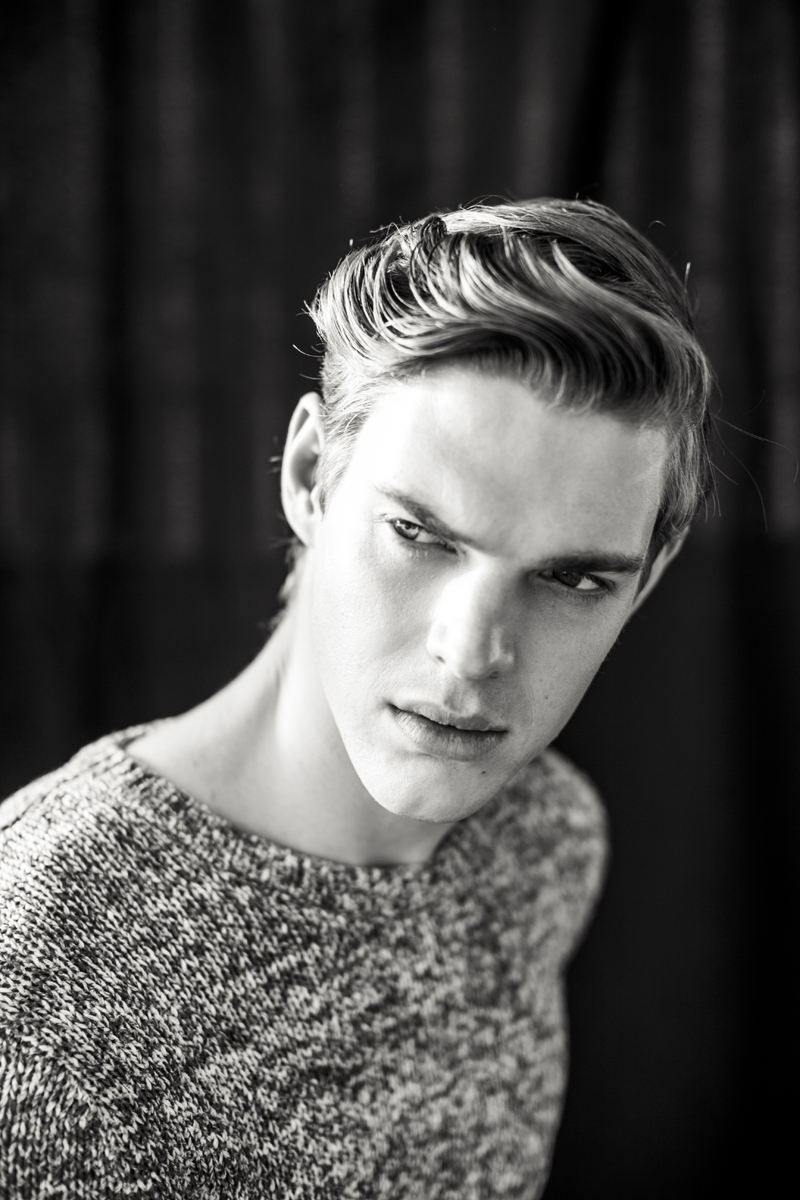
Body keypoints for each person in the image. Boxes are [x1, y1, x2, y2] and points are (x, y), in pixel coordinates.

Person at [0, 199, 713, 1198]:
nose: (472, 653)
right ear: (310, 477)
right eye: (419, 534)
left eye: (571, 578)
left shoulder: (543, 840)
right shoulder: (37, 978)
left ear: (646, 578)